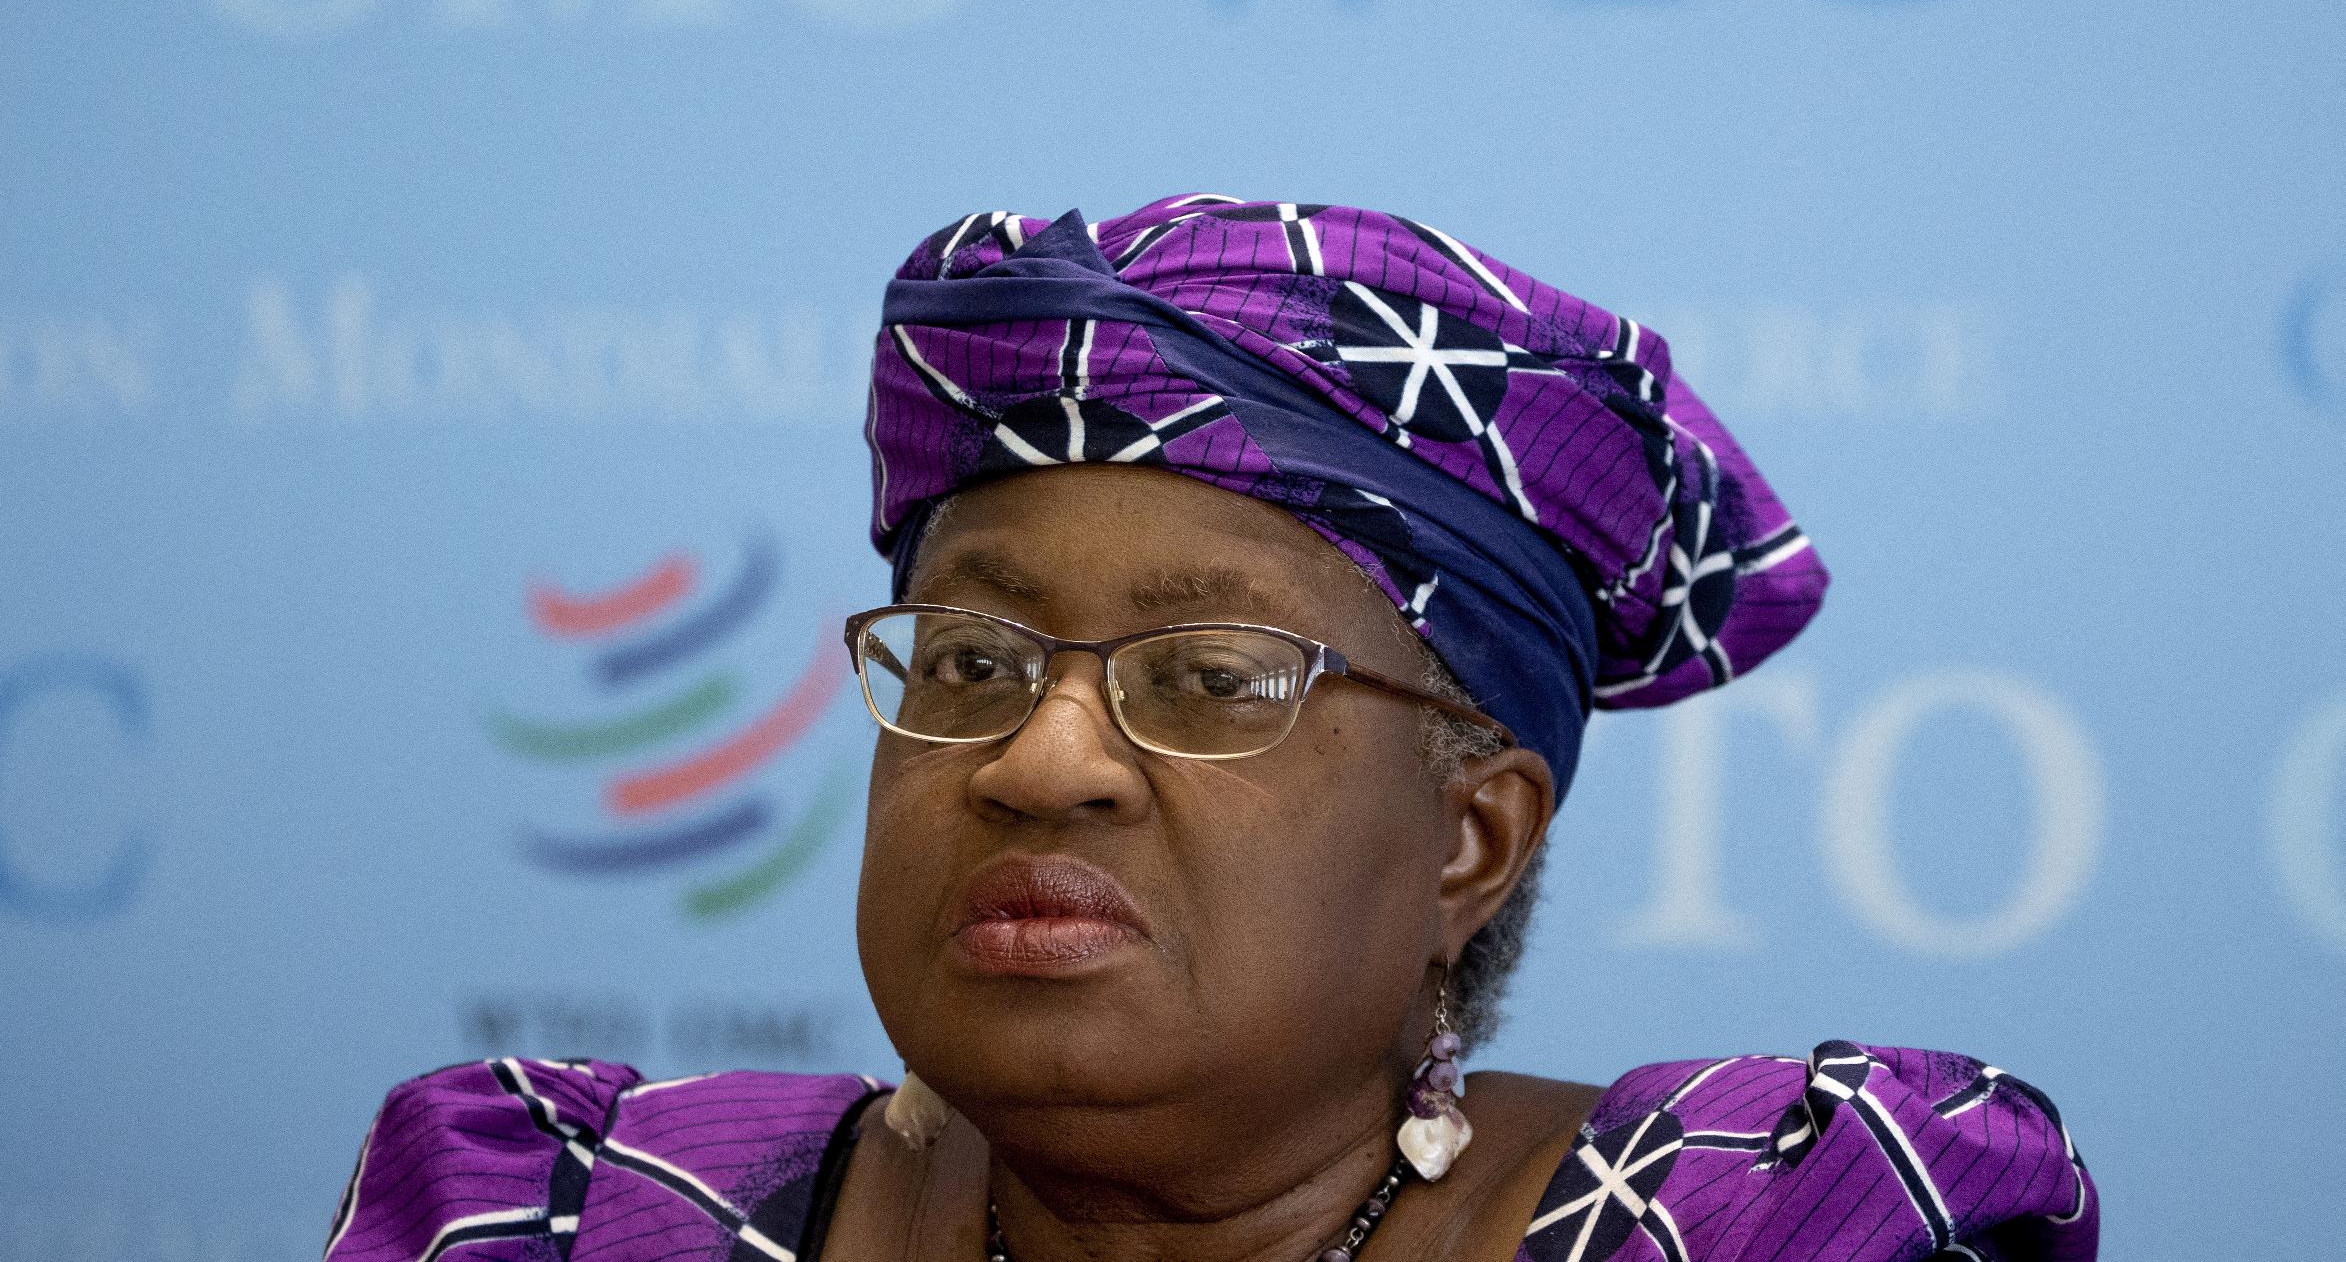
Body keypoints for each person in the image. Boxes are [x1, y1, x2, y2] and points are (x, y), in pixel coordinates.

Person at [323, 195, 2098, 1262]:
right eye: (970, 663)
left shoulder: (1746, 1225)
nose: (1039, 761)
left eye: (1211, 680)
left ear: (1470, 838)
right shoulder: (579, 1218)